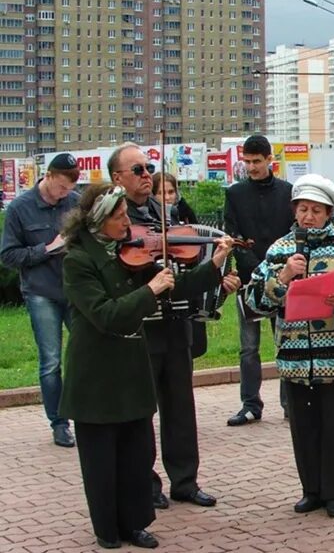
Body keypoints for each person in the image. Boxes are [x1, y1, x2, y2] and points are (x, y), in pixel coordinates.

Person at [58, 183, 235, 549]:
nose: (128, 222)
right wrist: (150, 290)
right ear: (98, 220)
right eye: (120, 216)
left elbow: (178, 286)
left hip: (131, 368)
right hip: (96, 373)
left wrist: (215, 263)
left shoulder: (131, 252)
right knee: (102, 457)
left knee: (136, 450)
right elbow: (108, 316)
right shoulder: (78, 261)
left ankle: (136, 522)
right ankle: (108, 529)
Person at [108, 142, 239, 509]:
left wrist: (215, 266)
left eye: (148, 168)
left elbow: (185, 275)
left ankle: (185, 481)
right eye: (137, 170)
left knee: (181, 407)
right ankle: (146, 482)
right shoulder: (114, 222)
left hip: (176, 319)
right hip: (141, 328)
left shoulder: (169, 215)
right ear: (117, 178)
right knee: (141, 410)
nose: (146, 175)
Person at [245, 173, 334, 518]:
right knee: (304, 428)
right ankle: (311, 490)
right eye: (302, 209)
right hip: (295, 359)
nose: (308, 216)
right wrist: (284, 277)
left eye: (316, 210)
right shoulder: (280, 250)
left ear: (329, 212)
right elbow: (254, 303)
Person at [0, 153, 80, 447]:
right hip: (40, 292)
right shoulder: (20, 208)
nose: (64, 194)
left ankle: (87, 413)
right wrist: (47, 249)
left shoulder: (74, 202)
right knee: (50, 361)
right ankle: (59, 422)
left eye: (69, 189)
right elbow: (8, 255)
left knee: (85, 352)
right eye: (60, 188)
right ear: (48, 176)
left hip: (73, 289)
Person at [223, 134, 294, 426]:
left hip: (284, 279)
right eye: (247, 161)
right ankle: (250, 404)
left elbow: (293, 234)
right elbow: (234, 236)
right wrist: (254, 269)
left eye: (256, 161)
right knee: (249, 347)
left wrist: (278, 272)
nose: (251, 167)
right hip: (250, 279)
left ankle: (290, 404)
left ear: (269, 160)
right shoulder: (235, 194)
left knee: (286, 342)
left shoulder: (288, 192)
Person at [152, 173, 206, 359]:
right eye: (160, 193)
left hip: (185, 307)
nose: (167, 197)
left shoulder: (183, 221)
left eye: (171, 192)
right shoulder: (148, 224)